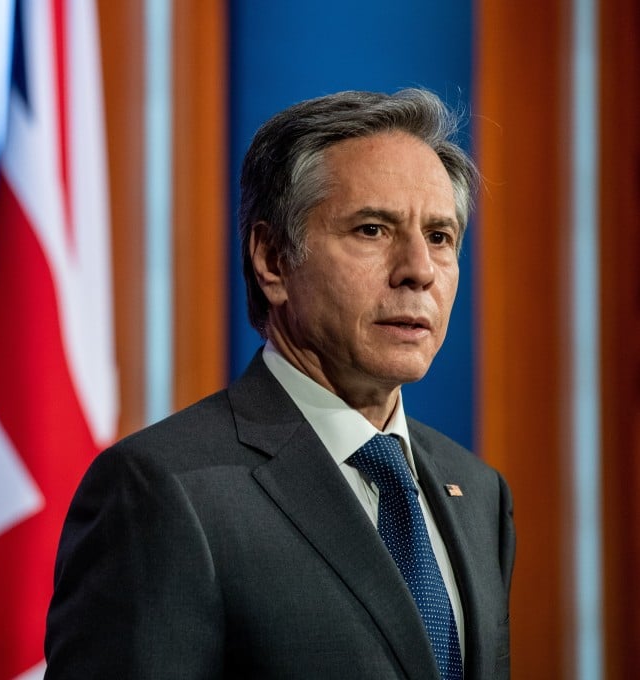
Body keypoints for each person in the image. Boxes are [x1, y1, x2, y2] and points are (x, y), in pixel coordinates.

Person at [44, 89, 514, 680]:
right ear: (271, 259)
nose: (419, 269)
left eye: (441, 237)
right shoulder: (164, 492)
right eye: (372, 230)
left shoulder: (478, 494)